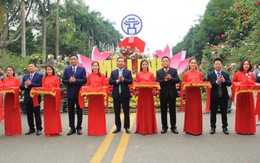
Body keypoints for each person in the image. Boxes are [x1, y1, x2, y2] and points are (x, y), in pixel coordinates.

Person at [62, 54, 86, 136]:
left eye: (74, 59)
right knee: (71, 111)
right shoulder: (67, 70)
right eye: (71, 59)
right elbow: (63, 80)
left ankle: (79, 127)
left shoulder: (82, 69)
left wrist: (76, 80)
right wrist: (69, 81)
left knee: (79, 111)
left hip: (79, 93)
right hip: (70, 94)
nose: (72, 60)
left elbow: (84, 80)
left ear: (77, 60)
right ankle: (72, 128)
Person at [156, 56, 180, 134]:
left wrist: (171, 78)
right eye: (164, 61)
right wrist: (165, 80)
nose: (165, 62)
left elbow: (178, 80)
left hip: (172, 94)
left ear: (169, 62)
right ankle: (164, 127)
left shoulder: (174, 70)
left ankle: (173, 127)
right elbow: (157, 82)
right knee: (163, 111)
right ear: (161, 63)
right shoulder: (159, 72)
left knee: (173, 111)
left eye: (167, 61)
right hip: (163, 94)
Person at [207, 58, 231, 135]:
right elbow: (209, 84)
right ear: (214, 65)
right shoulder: (210, 74)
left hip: (223, 96)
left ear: (222, 65)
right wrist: (216, 82)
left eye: (219, 64)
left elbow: (229, 83)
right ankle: (213, 127)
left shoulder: (225, 74)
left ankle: (225, 127)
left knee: (224, 113)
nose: (218, 65)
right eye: (216, 64)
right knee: (213, 113)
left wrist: (224, 81)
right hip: (214, 96)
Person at [109, 57, 133, 134]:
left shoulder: (128, 72)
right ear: (117, 63)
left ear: (124, 63)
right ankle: (118, 127)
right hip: (116, 95)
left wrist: (123, 80)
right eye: (118, 61)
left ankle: (127, 127)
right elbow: (110, 82)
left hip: (125, 95)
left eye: (121, 61)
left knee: (126, 111)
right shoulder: (113, 72)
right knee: (117, 112)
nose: (120, 62)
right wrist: (117, 81)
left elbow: (130, 81)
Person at [232, 60, 256, 134]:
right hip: (241, 96)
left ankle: (250, 129)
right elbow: (233, 84)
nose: (246, 65)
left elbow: (253, 83)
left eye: (248, 64)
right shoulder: (237, 74)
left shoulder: (251, 74)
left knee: (249, 112)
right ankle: (240, 129)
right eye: (245, 64)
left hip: (249, 96)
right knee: (241, 112)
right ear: (242, 65)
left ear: (249, 66)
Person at [135, 59, 158, 135]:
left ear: (148, 65)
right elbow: (136, 84)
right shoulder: (138, 74)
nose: (144, 66)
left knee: (149, 110)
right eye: (143, 64)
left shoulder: (151, 74)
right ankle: (141, 128)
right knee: (142, 110)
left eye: (146, 64)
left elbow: (152, 84)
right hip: (142, 94)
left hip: (148, 94)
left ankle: (150, 128)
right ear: (141, 66)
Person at [20, 63, 43, 135]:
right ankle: (31, 128)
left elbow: (40, 86)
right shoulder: (25, 76)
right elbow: (21, 87)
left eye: (31, 66)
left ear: (35, 68)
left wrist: (31, 84)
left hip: (35, 98)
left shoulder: (39, 76)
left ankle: (39, 128)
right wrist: (26, 86)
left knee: (37, 114)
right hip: (27, 98)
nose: (30, 68)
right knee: (29, 114)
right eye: (29, 66)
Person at [182, 58, 203, 135]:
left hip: (197, 94)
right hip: (190, 94)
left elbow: (201, 83)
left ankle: (197, 129)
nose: (193, 64)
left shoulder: (199, 74)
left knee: (196, 111)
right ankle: (189, 129)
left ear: (196, 64)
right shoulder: (186, 74)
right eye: (192, 63)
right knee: (190, 111)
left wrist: (198, 83)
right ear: (189, 64)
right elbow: (184, 84)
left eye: (194, 63)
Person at [86, 61, 107, 136]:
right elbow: (87, 86)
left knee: (99, 113)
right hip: (92, 98)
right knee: (92, 113)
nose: (94, 67)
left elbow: (104, 86)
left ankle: (101, 130)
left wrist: (99, 88)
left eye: (96, 65)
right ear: (91, 67)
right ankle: (92, 130)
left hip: (99, 97)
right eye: (93, 66)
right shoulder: (89, 76)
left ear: (98, 67)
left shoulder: (102, 76)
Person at [42, 65, 62, 136]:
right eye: (47, 70)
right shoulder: (44, 78)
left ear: (52, 70)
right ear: (46, 71)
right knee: (48, 114)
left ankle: (56, 130)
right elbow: (43, 88)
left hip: (54, 98)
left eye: (50, 70)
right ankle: (48, 130)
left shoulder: (56, 78)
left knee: (54, 113)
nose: (49, 71)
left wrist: (53, 89)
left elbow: (58, 88)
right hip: (47, 98)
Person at [2, 66, 22, 136]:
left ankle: (16, 130)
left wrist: (14, 89)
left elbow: (19, 89)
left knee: (14, 114)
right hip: (7, 98)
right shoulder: (4, 80)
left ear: (13, 72)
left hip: (14, 98)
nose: (9, 72)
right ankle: (9, 130)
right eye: (7, 70)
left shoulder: (16, 80)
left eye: (10, 70)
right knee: (8, 114)